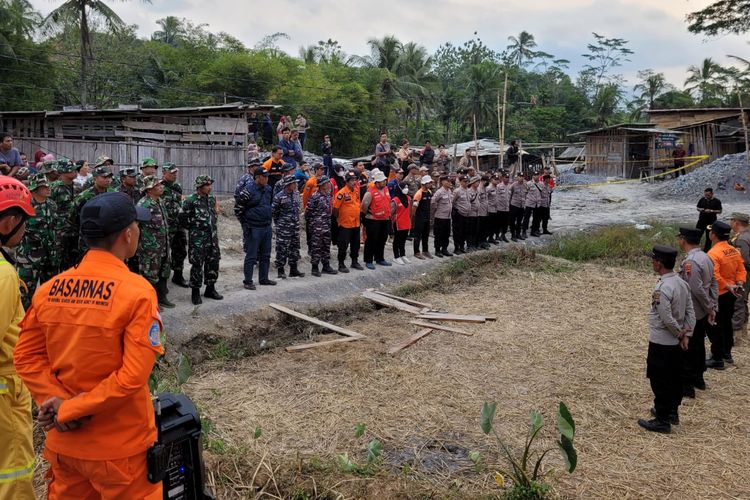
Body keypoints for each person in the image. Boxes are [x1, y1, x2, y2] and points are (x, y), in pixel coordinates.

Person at [14, 191, 164, 499]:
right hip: (120, 451)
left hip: (66, 447)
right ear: (127, 234)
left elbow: (26, 356)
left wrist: (56, 401)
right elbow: (131, 378)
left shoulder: (49, 291)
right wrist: (70, 408)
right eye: (137, 227)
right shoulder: (137, 293)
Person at [0, 177, 36, 500]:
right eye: (23, 220)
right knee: (15, 474)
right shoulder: (4, 275)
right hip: (6, 396)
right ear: (10, 221)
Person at [638, 245, 695, 434]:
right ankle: (671, 412)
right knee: (674, 377)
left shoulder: (663, 287)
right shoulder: (681, 283)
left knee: (659, 379)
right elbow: (690, 311)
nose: (652, 262)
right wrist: (687, 334)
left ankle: (662, 419)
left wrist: (679, 333)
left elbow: (665, 316)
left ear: (659, 263)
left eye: (654, 259)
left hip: (662, 341)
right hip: (676, 343)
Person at [676, 227, 718, 398]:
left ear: (683, 240)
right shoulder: (705, 257)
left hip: (693, 311)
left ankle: (688, 385)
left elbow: (696, 289)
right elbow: (713, 283)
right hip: (701, 311)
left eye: (679, 238)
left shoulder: (691, 262)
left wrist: (709, 307)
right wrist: (712, 306)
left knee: (688, 349)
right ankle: (699, 379)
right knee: (699, 346)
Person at [706, 221, 746, 369]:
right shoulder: (734, 250)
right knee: (727, 323)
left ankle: (717, 358)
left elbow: (714, 275)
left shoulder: (713, 253)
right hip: (732, 292)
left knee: (715, 325)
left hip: (719, 293)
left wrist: (726, 285)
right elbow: (741, 269)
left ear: (713, 235)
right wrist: (739, 283)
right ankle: (727, 353)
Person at [16, 173, 59, 309]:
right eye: (44, 186)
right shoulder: (24, 206)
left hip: (50, 256)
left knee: (51, 293)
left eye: (48, 185)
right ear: (35, 189)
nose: (48, 188)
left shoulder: (52, 205)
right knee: (25, 295)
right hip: (29, 258)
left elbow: (55, 227)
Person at [180, 175, 223, 305]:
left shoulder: (211, 200)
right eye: (207, 185)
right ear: (200, 187)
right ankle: (195, 292)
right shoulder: (190, 201)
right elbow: (182, 218)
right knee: (197, 265)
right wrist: (194, 229)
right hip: (198, 239)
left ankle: (210, 289)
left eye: (210, 185)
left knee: (213, 263)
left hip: (212, 238)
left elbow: (214, 215)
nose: (210, 187)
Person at [137, 175, 174, 308]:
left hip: (163, 246)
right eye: (157, 185)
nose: (161, 187)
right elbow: (136, 227)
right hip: (149, 249)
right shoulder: (143, 205)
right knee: (149, 276)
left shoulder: (160, 201)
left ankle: (162, 297)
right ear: (149, 189)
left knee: (164, 272)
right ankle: (150, 304)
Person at [237, 168, 275, 290]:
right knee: (251, 255)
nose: (266, 179)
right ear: (257, 177)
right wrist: (246, 224)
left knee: (266, 255)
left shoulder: (268, 189)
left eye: (267, 176)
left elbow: (269, 204)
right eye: (264, 176)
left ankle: (263, 278)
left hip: (266, 226)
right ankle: (248, 281)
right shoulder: (248, 190)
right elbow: (238, 209)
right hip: (253, 227)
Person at [72, 166, 115, 252]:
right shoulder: (84, 197)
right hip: (89, 241)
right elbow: (73, 217)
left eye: (109, 177)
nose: (108, 180)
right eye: (104, 177)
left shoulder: (113, 194)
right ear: (95, 179)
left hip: (108, 238)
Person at [161, 162, 189, 288]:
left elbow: (180, 203)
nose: (174, 175)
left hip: (178, 224)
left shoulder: (177, 186)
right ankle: (162, 281)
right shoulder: (159, 187)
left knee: (181, 250)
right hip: (166, 226)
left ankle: (178, 275)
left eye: (175, 172)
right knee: (165, 254)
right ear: (164, 173)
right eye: (172, 173)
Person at [272, 175, 305, 280]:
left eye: (296, 183)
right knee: (282, 249)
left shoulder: (296, 194)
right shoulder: (279, 197)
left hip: (295, 226)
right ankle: (280, 270)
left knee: (294, 248)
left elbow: (298, 208)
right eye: (293, 183)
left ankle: (293, 270)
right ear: (287, 184)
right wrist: (280, 223)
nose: (296, 185)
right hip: (283, 227)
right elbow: (274, 212)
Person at [49, 159, 79, 270]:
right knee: (58, 261)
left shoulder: (78, 187)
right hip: (59, 231)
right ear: (63, 171)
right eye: (72, 170)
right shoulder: (54, 188)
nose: (75, 172)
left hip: (75, 230)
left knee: (74, 261)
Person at [305, 175, 337, 277]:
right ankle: (315, 267)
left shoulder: (328, 195)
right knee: (316, 247)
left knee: (326, 246)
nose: (328, 184)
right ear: (321, 185)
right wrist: (313, 223)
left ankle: (326, 265)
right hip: (317, 226)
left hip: (327, 225)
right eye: (326, 183)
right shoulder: (315, 196)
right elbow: (308, 212)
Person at [361, 170, 392, 269]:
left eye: (385, 180)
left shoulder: (386, 189)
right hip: (373, 220)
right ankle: (368, 260)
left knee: (382, 239)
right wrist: (367, 217)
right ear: (377, 182)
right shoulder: (370, 192)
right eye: (382, 181)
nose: (385, 182)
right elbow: (364, 207)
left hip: (385, 219)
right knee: (371, 240)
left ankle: (379, 258)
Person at [333, 171, 363, 273]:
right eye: (352, 180)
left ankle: (354, 261)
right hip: (345, 224)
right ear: (347, 181)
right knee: (343, 245)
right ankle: (341, 264)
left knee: (356, 245)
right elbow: (335, 209)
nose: (354, 182)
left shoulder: (356, 192)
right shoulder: (341, 193)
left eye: (355, 180)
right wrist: (339, 219)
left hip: (356, 223)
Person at [730, 212, 750, 342]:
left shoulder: (742, 239)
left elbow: (744, 260)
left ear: (736, 222)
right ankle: (743, 331)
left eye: (731, 220)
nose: (730, 223)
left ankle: (736, 335)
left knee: (738, 301)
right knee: (743, 300)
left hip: (744, 274)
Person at [412, 176, 433, 259]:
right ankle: (416, 252)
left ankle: (425, 250)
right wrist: (414, 217)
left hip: (427, 217)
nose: (431, 184)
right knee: (418, 235)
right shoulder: (419, 194)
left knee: (426, 234)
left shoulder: (429, 192)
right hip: (419, 218)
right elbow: (414, 207)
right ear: (424, 184)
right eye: (429, 183)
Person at [431, 175, 453, 257]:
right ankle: (437, 250)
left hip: (448, 217)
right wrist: (436, 210)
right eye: (447, 181)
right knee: (439, 234)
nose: (449, 183)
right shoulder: (439, 192)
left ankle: (444, 249)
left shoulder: (449, 191)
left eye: (450, 181)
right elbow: (433, 201)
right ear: (443, 182)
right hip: (440, 217)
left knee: (446, 234)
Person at [391, 181, 412, 265]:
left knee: (403, 240)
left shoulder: (409, 198)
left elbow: (410, 211)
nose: (406, 189)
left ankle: (403, 255)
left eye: (407, 187)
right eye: (404, 187)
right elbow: (391, 213)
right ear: (400, 188)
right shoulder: (395, 200)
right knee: (397, 240)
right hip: (398, 223)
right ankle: (396, 256)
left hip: (406, 222)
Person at [696, 188, 722, 252]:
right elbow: (697, 207)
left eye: (708, 195)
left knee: (709, 237)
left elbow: (720, 211)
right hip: (701, 221)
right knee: (697, 235)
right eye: (705, 195)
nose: (706, 196)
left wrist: (711, 211)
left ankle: (706, 251)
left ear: (712, 194)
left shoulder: (717, 201)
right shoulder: (702, 199)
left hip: (711, 222)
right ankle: (695, 249)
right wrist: (701, 209)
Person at [452, 175, 471, 254]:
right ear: (460, 182)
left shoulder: (468, 190)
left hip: (466, 214)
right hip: (459, 214)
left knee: (465, 231)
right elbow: (452, 202)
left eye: (467, 181)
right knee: (457, 232)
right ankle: (457, 248)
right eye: (464, 181)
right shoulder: (457, 191)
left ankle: (462, 246)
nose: (466, 183)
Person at [522, 172, 541, 239]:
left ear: (539, 176)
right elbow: (525, 192)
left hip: (537, 203)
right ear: (533, 176)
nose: (536, 176)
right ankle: (524, 232)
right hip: (529, 203)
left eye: (537, 175)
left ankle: (533, 231)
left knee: (536, 218)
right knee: (526, 218)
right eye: (534, 175)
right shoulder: (529, 183)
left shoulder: (541, 184)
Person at [509, 173, 526, 241]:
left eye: (522, 176)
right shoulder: (513, 185)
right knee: (512, 221)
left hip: (521, 206)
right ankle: (513, 235)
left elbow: (526, 193)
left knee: (519, 221)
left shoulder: (525, 185)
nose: (521, 178)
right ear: (517, 177)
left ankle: (518, 234)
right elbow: (510, 194)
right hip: (514, 205)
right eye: (520, 176)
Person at [466, 176, 480, 251]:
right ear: (472, 183)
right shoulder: (469, 191)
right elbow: (468, 202)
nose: (478, 183)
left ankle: (474, 245)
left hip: (477, 213)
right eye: (477, 182)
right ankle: (469, 245)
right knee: (470, 231)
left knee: (475, 230)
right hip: (470, 214)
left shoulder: (478, 190)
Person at [496, 172, 511, 242]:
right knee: (499, 223)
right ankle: (497, 235)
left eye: (508, 177)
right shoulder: (498, 186)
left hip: (507, 208)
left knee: (506, 223)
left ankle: (503, 235)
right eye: (505, 177)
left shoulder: (510, 186)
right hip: (500, 208)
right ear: (502, 178)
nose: (507, 179)